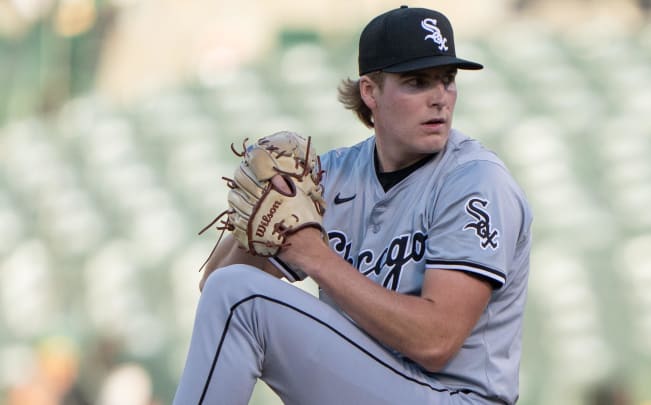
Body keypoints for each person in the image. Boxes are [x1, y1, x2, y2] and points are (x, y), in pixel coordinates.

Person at [173, 5, 533, 405]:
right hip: (373, 385)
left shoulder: (475, 180)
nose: (439, 99)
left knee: (239, 296)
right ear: (370, 91)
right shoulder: (333, 176)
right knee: (232, 290)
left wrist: (313, 256)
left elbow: (437, 341)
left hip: (455, 396)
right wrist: (258, 219)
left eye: (446, 80)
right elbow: (219, 294)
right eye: (417, 82)